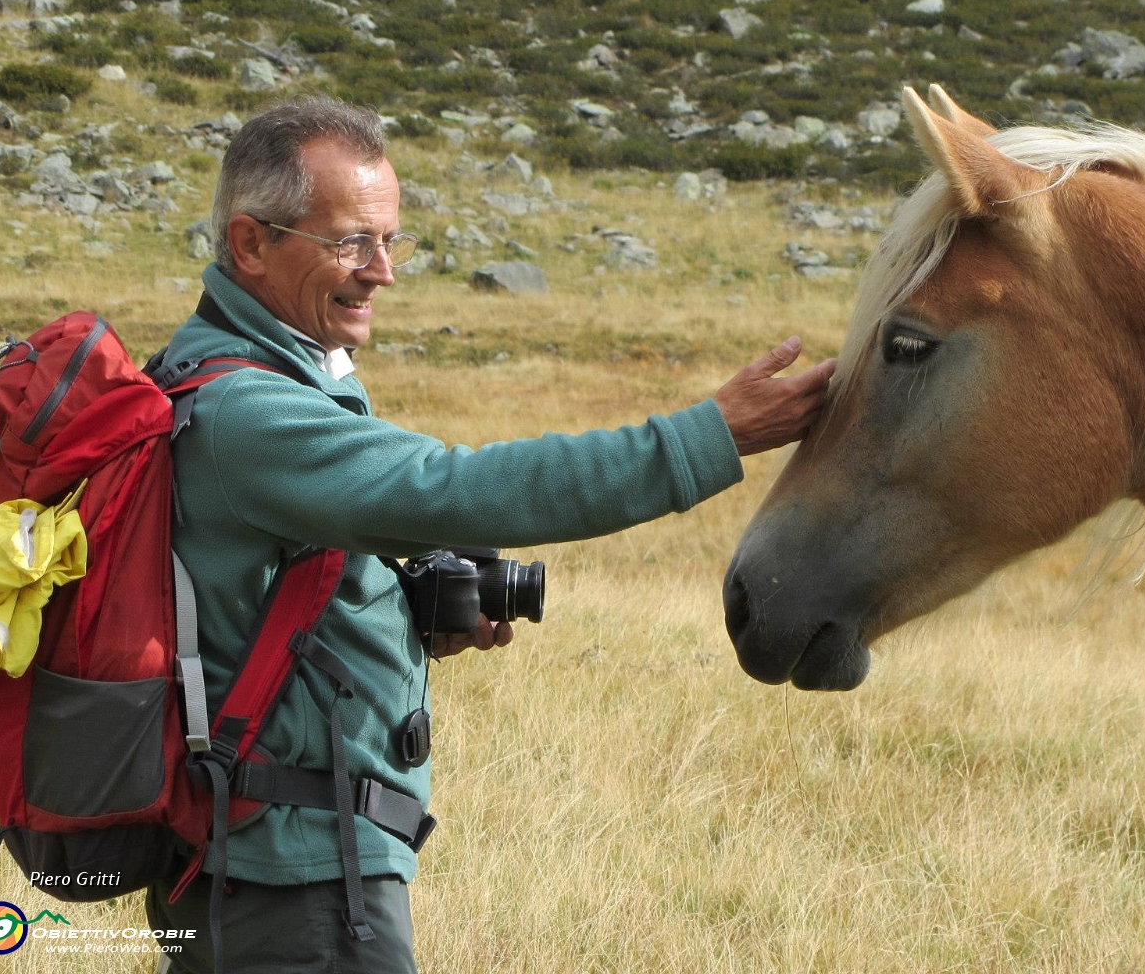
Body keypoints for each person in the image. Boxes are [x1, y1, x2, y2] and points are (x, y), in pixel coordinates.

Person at [146, 96, 834, 973]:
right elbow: (454, 490)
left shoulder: (240, 378)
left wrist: (402, 617)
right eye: (352, 242)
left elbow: (259, 601)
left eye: (392, 240)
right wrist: (709, 436)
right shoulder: (246, 410)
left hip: (259, 869)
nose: (382, 271)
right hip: (298, 887)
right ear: (251, 244)